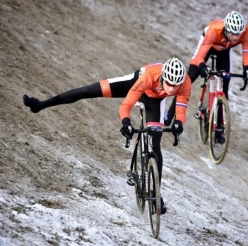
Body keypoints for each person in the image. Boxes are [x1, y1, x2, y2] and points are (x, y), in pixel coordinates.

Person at [23, 57, 191, 214]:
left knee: (155, 145)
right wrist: (126, 123)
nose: (171, 89)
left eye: (175, 86)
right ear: (163, 76)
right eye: (169, 83)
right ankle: (41, 104)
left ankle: (156, 194)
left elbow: (181, 109)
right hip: (135, 85)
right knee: (87, 91)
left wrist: (179, 123)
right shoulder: (149, 76)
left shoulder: (184, 83)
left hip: (154, 101)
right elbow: (126, 105)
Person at [164, 11, 248, 143]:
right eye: (232, 33)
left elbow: (247, 53)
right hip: (208, 45)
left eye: (238, 34)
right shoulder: (213, 31)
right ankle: (170, 114)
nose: (235, 37)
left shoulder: (246, 33)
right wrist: (202, 67)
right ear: (226, 29)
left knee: (225, 88)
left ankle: (219, 129)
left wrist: (247, 70)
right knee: (189, 79)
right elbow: (200, 56)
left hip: (224, 51)